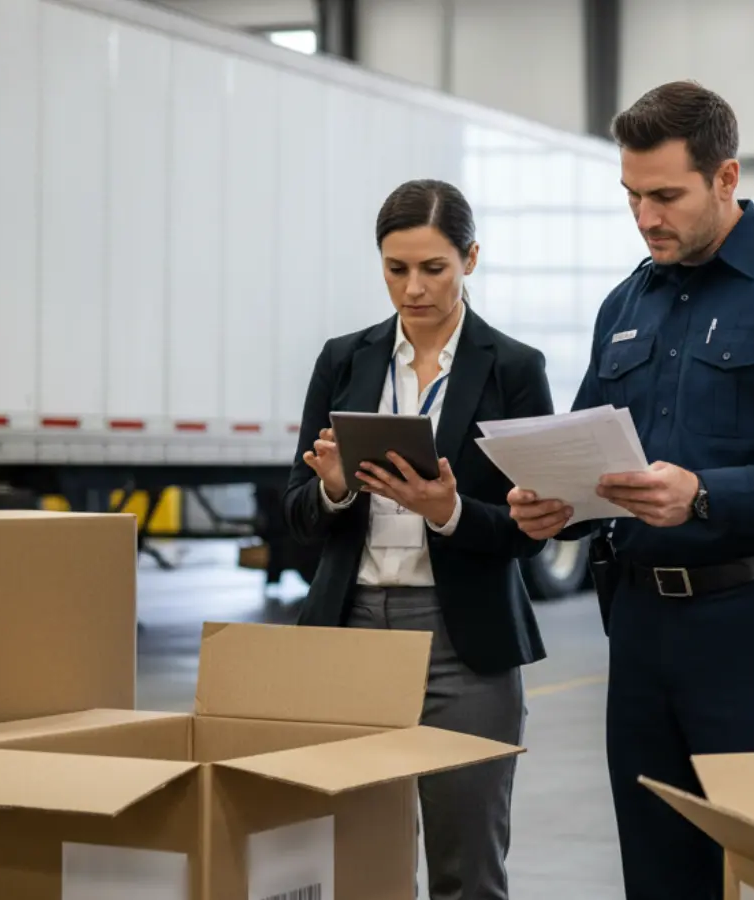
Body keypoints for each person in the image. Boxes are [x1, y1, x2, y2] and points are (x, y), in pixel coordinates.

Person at [506, 81, 754, 899]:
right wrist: (555, 508)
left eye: (666, 195)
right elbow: (588, 454)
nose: (646, 217)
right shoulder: (627, 303)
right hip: (642, 634)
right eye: (632, 196)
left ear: (726, 178)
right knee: (659, 875)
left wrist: (707, 494)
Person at [284, 179, 552, 900]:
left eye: (433, 268)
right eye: (396, 268)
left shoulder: (515, 369)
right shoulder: (345, 360)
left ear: (470, 258)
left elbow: (531, 530)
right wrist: (336, 487)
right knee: (356, 860)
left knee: (468, 866)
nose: (413, 288)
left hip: (464, 640)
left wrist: (450, 512)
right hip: (352, 627)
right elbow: (298, 514)